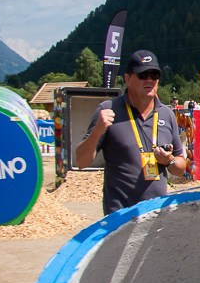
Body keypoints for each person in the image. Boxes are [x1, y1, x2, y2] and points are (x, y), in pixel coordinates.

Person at [76, 50, 190, 214]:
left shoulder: (166, 113)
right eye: (143, 75)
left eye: (154, 75)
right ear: (128, 79)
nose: (149, 80)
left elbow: (180, 168)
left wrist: (169, 160)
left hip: (157, 216)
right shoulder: (108, 110)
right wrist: (97, 131)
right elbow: (81, 162)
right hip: (120, 217)